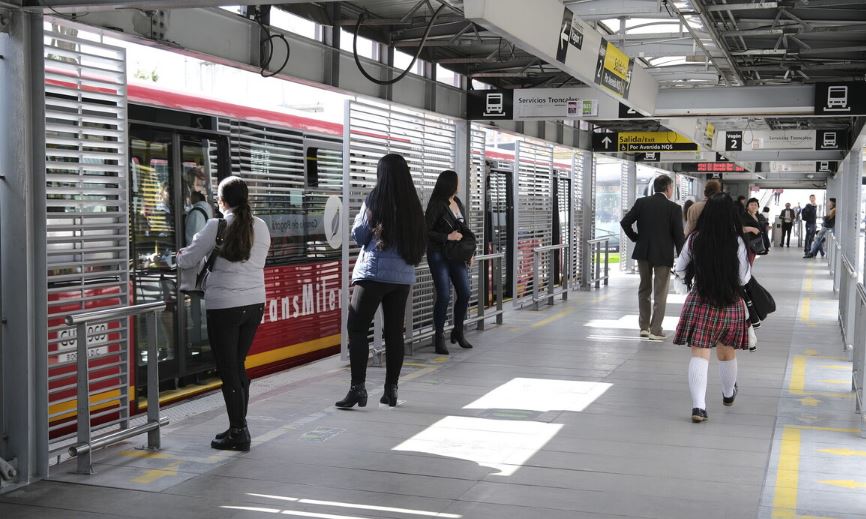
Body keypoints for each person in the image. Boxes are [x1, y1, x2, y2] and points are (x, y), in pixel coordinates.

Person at [176, 176, 271, 451]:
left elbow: (187, 259)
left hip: (224, 306)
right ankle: (238, 425)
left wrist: (182, 253)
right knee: (238, 365)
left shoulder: (215, 225)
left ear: (222, 200)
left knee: (228, 369)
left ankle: (239, 432)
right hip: (254, 304)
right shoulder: (262, 227)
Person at [335, 154, 426, 409]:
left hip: (374, 274)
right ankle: (391, 390)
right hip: (402, 278)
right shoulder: (412, 203)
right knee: (395, 332)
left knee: (357, 328)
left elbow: (359, 235)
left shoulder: (375, 198)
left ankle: (357, 389)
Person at [674, 193, 752, 423]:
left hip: (701, 300)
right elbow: (743, 278)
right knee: (727, 351)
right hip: (730, 302)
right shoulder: (737, 241)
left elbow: (680, 267)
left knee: (700, 352)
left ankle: (699, 407)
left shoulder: (695, 238)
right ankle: (728, 394)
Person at [620, 175, 685, 341]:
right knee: (660, 292)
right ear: (668, 189)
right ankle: (655, 330)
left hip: (643, 252)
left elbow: (625, 222)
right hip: (663, 255)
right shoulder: (674, 208)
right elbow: (678, 237)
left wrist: (636, 238)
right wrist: (683, 259)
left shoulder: (642, 203)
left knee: (644, 289)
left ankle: (643, 327)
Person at [426, 170, 473, 355]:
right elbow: (425, 231)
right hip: (438, 254)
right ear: (450, 184)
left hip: (456, 254)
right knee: (444, 296)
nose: (459, 184)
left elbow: (465, 230)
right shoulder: (437, 205)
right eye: (457, 181)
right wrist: (447, 236)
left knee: (465, 293)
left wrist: (469, 252)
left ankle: (458, 331)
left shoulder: (458, 203)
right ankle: (439, 337)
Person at [741, 198, 764, 265]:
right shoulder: (744, 216)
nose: (754, 206)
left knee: (751, 262)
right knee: (748, 262)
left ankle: (748, 274)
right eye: (751, 204)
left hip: (755, 243)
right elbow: (740, 229)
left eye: (755, 205)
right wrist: (752, 229)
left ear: (758, 207)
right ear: (747, 206)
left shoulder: (757, 216)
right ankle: (747, 275)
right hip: (748, 243)